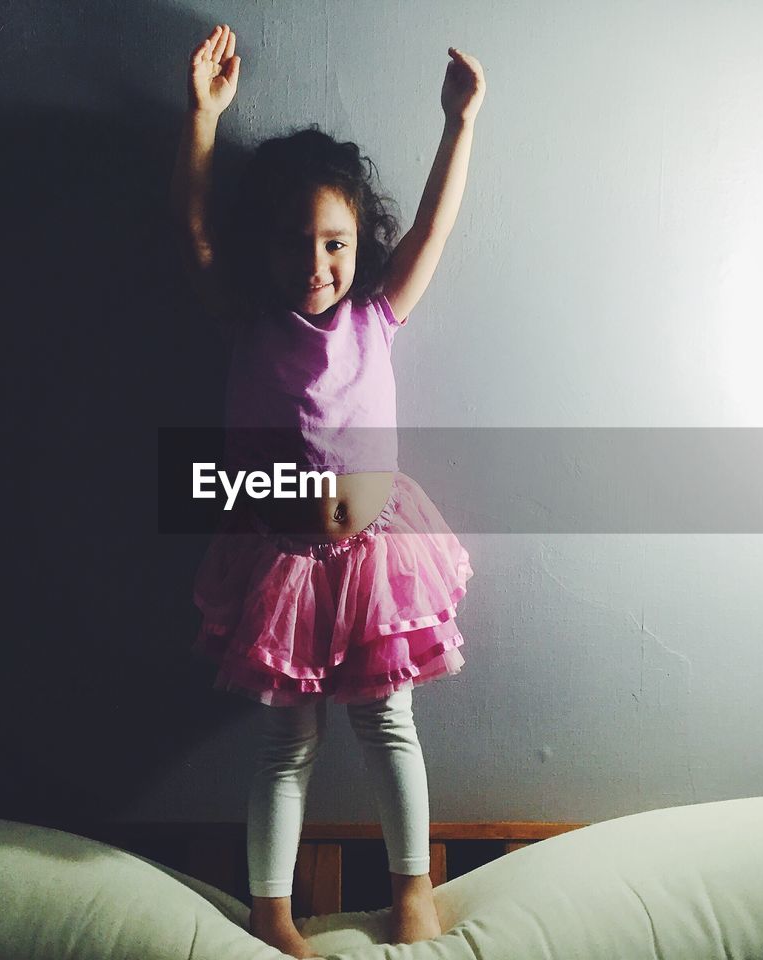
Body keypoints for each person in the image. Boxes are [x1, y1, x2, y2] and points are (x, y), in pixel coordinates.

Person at [171, 23, 485, 960]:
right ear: (264, 251)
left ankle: (412, 891)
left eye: (337, 244)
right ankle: (271, 908)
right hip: (282, 561)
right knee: (286, 741)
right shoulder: (247, 321)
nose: (318, 265)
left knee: (389, 723)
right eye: (298, 246)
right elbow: (192, 230)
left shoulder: (376, 316)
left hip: (376, 551)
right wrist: (203, 119)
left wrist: (459, 126)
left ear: (360, 244)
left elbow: (434, 227)